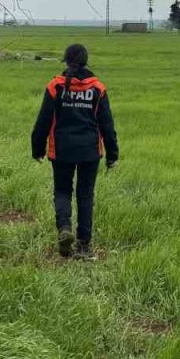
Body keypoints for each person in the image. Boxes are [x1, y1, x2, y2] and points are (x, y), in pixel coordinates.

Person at [32, 44, 118, 259]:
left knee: (62, 191)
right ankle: (84, 246)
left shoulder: (56, 86)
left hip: (61, 150)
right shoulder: (97, 88)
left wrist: (37, 149)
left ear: (66, 61)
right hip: (90, 151)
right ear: (86, 62)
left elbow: (43, 121)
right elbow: (107, 124)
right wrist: (112, 156)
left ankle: (64, 229)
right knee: (85, 195)